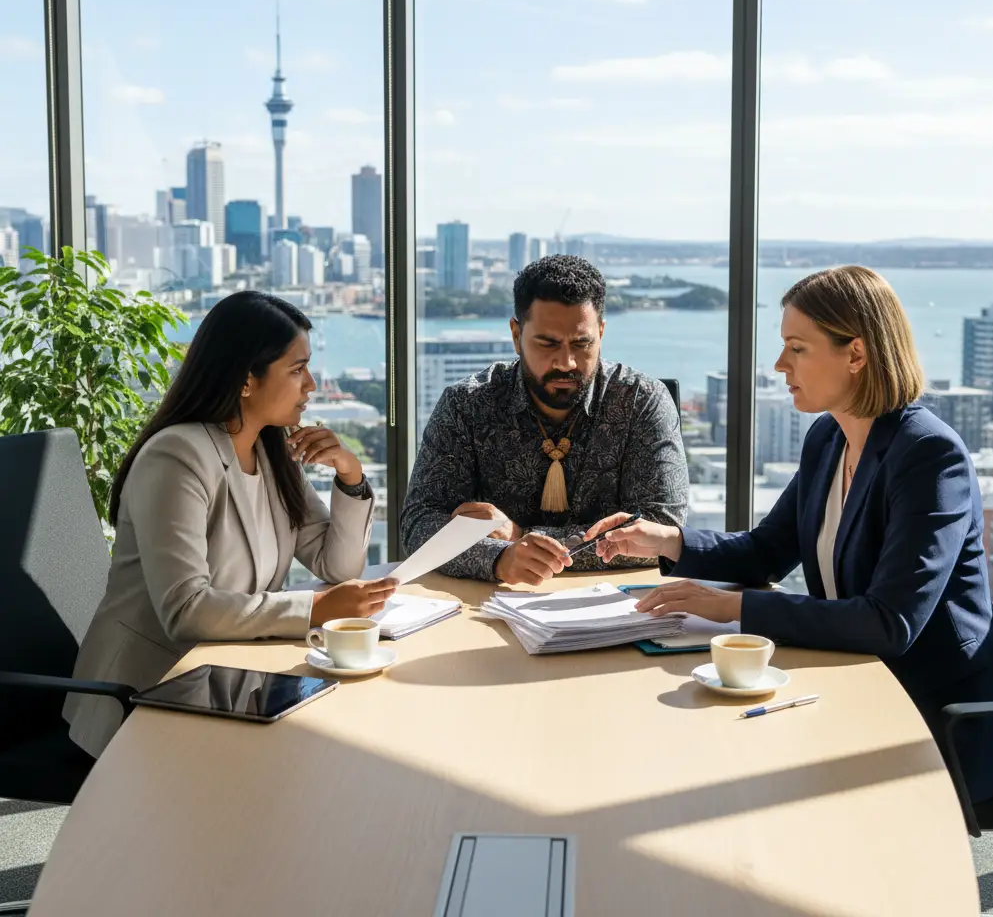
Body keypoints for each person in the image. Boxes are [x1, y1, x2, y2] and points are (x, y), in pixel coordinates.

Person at [586, 265, 993, 803]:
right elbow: (768, 551)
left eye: (797, 348)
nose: (779, 365)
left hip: (937, 715)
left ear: (856, 354)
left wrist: (731, 608)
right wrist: (667, 540)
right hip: (855, 678)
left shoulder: (929, 456)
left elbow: (890, 623)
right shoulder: (829, 438)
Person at [65, 291, 397, 757]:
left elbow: (336, 566)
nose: (313, 385)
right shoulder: (177, 456)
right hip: (148, 692)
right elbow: (185, 610)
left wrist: (350, 474)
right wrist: (314, 610)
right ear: (246, 380)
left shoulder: (271, 450)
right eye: (297, 369)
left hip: (227, 679)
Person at [401, 255, 688, 584]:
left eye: (582, 344)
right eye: (547, 343)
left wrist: (519, 537)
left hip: (619, 603)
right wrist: (498, 559)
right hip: (493, 604)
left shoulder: (641, 401)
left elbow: (664, 530)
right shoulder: (467, 405)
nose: (566, 362)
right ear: (516, 334)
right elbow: (418, 523)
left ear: (602, 333)